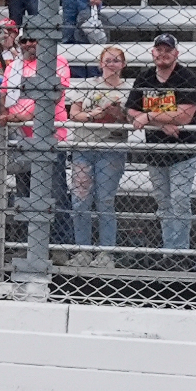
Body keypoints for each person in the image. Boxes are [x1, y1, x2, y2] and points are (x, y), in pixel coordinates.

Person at [0, 25, 74, 252]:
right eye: (24, 41)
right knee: (24, 195)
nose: (29, 44)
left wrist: (22, 116)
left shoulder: (57, 62)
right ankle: (30, 246)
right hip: (20, 138)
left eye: (33, 40)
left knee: (56, 193)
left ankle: (60, 246)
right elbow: (3, 96)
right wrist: (7, 116)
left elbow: (52, 95)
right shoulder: (13, 66)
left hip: (50, 138)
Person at [126, 34, 196, 263]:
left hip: (182, 149)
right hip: (155, 149)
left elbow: (185, 116)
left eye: (167, 49)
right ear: (153, 52)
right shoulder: (145, 76)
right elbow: (130, 110)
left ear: (176, 53)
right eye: (159, 49)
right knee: (163, 203)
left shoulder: (186, 77)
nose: (163, 53)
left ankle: (180, 252)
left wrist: (149, 116)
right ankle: (170, 250)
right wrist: (162, 122)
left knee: (179, 200)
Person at [67, 45, 131, 268]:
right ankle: (82, 250)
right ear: (100, 63)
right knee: (80, 200)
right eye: (107, 60)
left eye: (116, 60)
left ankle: (106, 253)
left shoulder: (129, 89)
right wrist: (93, 115)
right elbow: (73, 114)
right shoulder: (87, 85)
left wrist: (117, 114)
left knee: (105, 200)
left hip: (111, 146)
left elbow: (131, 119)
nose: (111, 63)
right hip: (83, 145)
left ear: (123, 64)